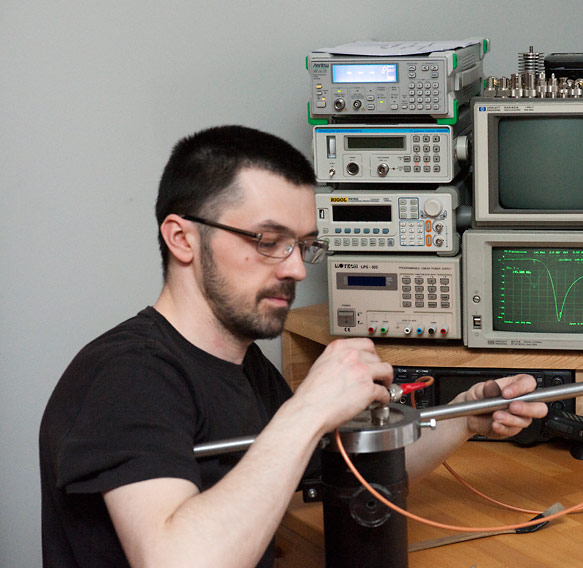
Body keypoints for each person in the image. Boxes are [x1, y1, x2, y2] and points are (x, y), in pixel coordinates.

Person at [39, 125, 548, 568]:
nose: (298, 269)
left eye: (304, 245)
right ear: (182, 239)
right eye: (268, 241)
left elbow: (341, 475)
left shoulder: (243, 366)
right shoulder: (126, 376)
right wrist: (308, 410)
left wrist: (464, 418)